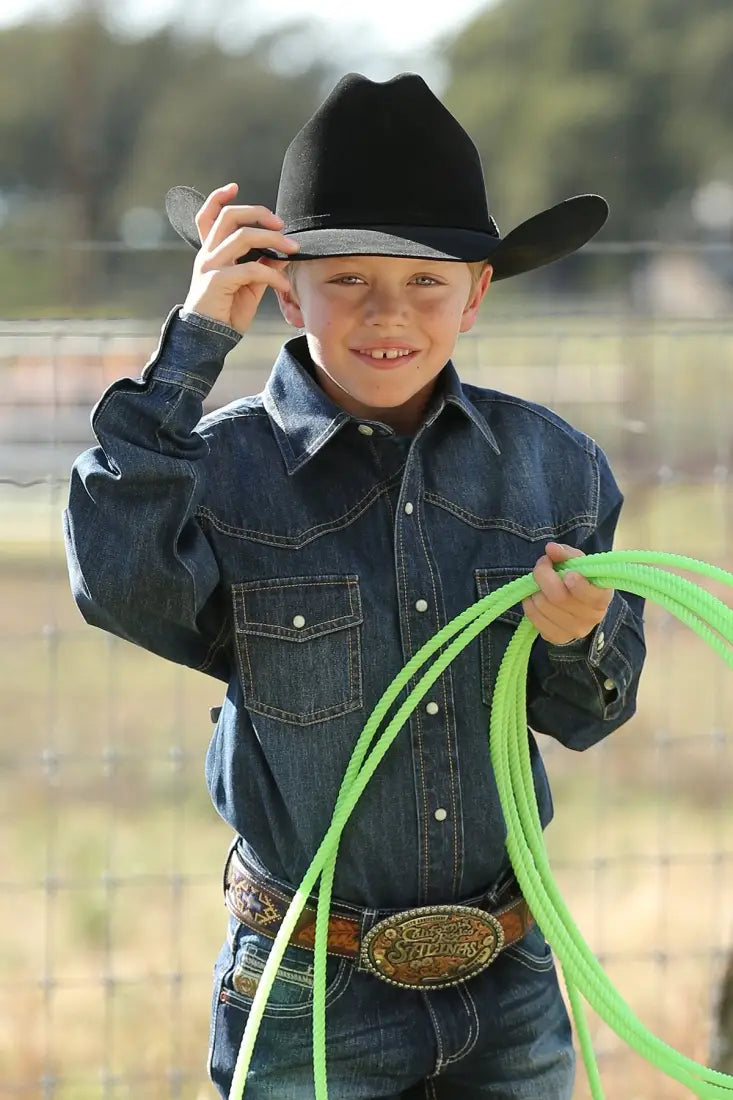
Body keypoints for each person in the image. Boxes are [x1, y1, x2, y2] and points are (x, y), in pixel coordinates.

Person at [64, 72, 646, 1099]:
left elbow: (590, 713)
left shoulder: (555, 470)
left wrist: (579, 637)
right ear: (284, 291)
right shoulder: (226, 470)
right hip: (308, 981)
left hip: (506, 968)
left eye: (426, 282)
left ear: (476, 291)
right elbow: (115, 575)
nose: (390, 313)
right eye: (348, 280)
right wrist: (195, 338)